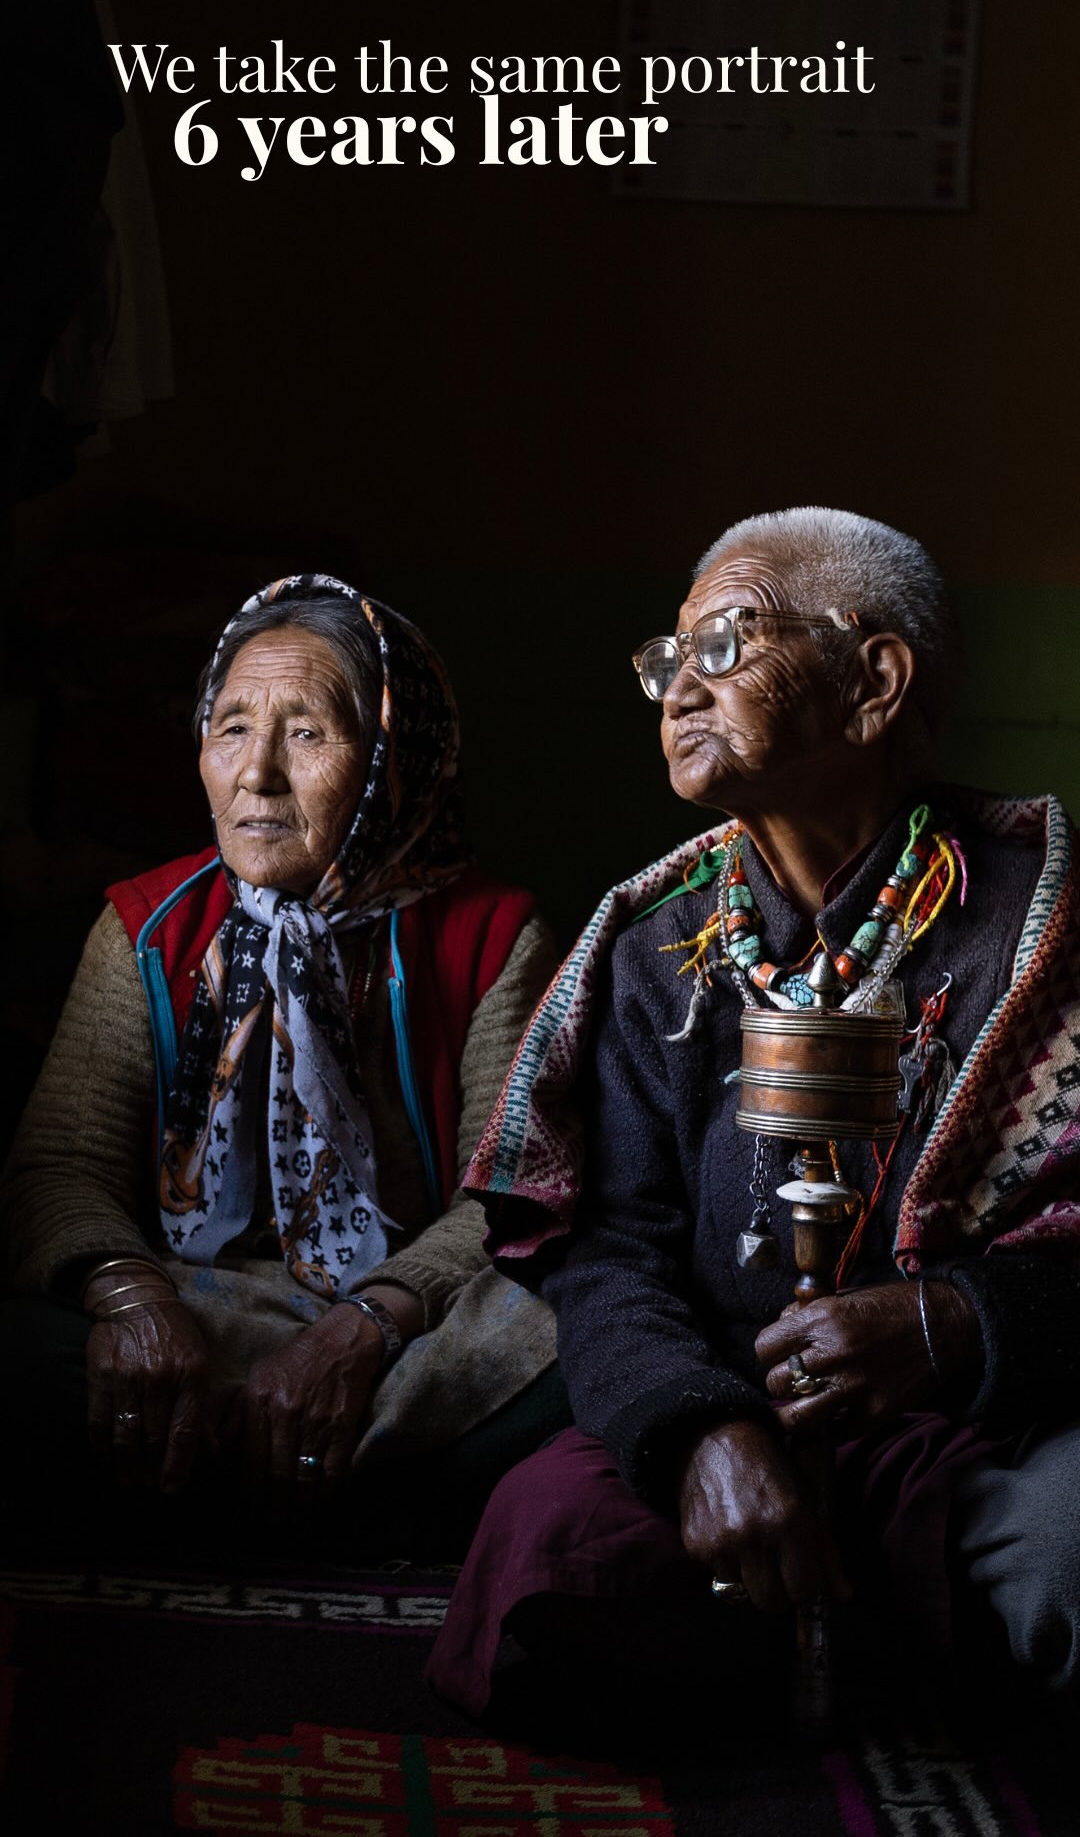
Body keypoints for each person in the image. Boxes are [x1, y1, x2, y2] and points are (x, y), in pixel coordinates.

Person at [428, 506, 1080, 1717]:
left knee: (1066, 1549)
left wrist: (952, 1323)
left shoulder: (1037, 921)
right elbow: (608, 1249)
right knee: (537, 1553)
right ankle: (860, 1640)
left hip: (980, 1420)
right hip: (734, 1396)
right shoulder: (657, 940)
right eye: (665, 660)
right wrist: (697, 1440)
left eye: (725, 644)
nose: (678, 689)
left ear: (873, 682)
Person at [0, 574, 560, 1547]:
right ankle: (343, 1496)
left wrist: (363, 1329)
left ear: (392, 758)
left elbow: (505, 1193)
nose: (257, 774)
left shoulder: (493, 937)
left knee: (582, 1335)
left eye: (306, 733)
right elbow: (60, 1165)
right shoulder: (146, 928)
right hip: (185, 1305)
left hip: (405, 1329)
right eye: (230, 728)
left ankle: (212, 1485)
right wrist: (132, 1301)